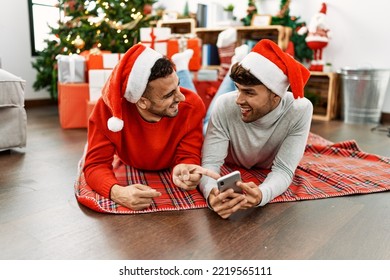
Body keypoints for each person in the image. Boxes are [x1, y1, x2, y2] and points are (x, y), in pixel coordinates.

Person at [83, 43, 218, 211]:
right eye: (169, 94)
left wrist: (184, 167)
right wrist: (117, 192)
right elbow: (95, 165)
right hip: (130, 162)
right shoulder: (107, 111)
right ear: (142, 102)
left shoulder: (192, 105)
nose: (181, 96)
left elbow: (189, 154)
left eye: (178, 85)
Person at [199, 39, 313, 219]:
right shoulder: (227, 105)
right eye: (238, 89)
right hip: (218, 122)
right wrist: (211, 192)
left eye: (249, 92)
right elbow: (210, 164)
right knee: (204, 120)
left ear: (276, 95)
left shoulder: (300, 109)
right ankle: (235, 65)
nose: (239, 99)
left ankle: (240, 60)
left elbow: (283, 170)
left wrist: (262, 194)